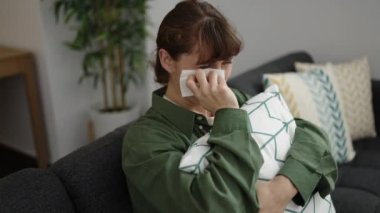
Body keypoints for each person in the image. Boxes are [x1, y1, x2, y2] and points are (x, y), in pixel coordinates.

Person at [122, 0, 337, 212]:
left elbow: (312, 137)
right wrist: (228, 115)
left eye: (227, 62)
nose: (220, 78)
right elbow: (216, 204)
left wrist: (277, 193)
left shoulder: (235, 98)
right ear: (167, 60)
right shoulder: (144, 140)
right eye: (206, 66)